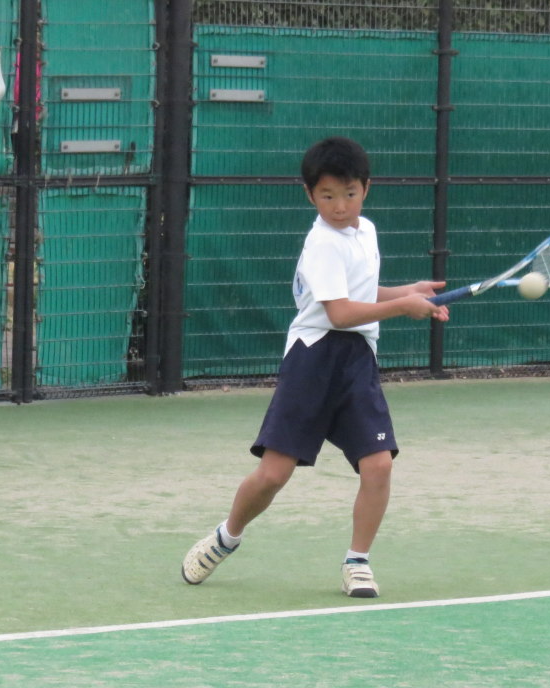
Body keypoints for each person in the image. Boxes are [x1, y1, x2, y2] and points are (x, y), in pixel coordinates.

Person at [181, 136, 449, 597]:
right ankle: (227, 536)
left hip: (357, 361)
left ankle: (357, 562)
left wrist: (408, 291)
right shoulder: (321, 243)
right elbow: (340, 313)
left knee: (379, 465)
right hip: (313, 358)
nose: (340, 206)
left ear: (366, 188)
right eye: (327, 196)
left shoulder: (366, 232)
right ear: (309, 195)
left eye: (349, 193)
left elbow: (358, 292)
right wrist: (402, 307)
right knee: (273, 475)